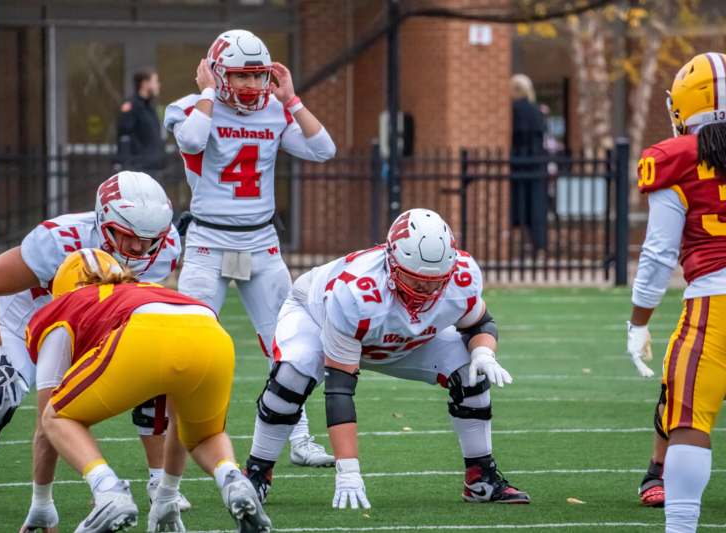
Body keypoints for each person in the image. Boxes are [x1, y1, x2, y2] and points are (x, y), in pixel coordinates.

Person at [0, 171, 189, 526]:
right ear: (103, 220)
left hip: (86, 321)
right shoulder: (59, 239)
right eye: (128, 237)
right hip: (24, 319)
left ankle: (159, 479)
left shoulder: (166, 245)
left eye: (149, 239)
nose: (140, 249)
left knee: (155, 372)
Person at [244, 208, 530, 508]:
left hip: (398, 338)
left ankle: (480, 479)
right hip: (316, 318)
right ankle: (256, 472)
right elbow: (339, 389)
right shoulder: (354, 291)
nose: (428, 290)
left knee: (472, 372)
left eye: (437, 281)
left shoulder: (463, 275)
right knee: (291, 379)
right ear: (391, 263)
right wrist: (348, 470)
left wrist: (483, 352)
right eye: (417, 281)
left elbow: (480, 323)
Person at [162, 28, 337, 489]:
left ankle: (298, 438)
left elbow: (324, 150)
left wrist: (293, 100)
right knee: (192, 346)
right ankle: (175, 463)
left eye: (257, 76)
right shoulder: (189, 107)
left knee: (287, 341)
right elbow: (195, 141)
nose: (251, 86)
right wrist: (204, 93)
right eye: (240, 76)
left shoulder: (275, 110)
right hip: (207, 242)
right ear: (216, 74)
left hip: (260, 243)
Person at [30, 248, 271, 533]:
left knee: (55, 417)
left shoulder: (66, 306)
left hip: (143, 332)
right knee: (205, 434)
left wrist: (42, 504)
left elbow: (47, 427)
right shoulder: (148, 289)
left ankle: (108, 491)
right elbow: (175, 412)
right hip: (210, 331)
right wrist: (167, 494)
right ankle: (231, 478)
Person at [627, 52, 726, 531]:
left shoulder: (675, 159)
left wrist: (638, 321)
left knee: (687, 424)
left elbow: (657, 254)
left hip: (713, 306)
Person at [510, 74, 548, 253]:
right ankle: (538, 245)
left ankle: (518, 245)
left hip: (518, 162)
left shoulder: (514, 110)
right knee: (536, 206)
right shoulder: (536, 111)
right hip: (537, 163)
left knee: (518, 205)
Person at [117, 68, 165, 172]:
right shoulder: (132, 106)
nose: (158, 85)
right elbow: (124, 137)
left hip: (154, 167)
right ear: (145, 84)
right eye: (155, 81)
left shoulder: (151, 108)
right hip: (139, 168)